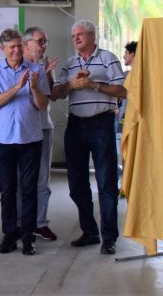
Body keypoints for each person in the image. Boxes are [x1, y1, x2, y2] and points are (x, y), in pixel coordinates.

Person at [51, 19, 126, 256]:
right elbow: (56, 94)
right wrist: (72, 85)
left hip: (101, 123)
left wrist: (93, 84)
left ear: (92, 36)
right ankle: (90, 231)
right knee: (76, 184)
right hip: (76, 125)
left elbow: (122, 90)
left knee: (105, 183)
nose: (76, 39)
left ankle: (109, 238)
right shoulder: (70, 63)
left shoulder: (108, 58)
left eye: (80, 35)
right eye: (74, 36)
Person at [0, 28, 50, 256]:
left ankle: (28, 237)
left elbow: (43, 106)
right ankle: (9, 236)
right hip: (4, 140)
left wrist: (33, 88)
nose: (15, 50)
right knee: (8, 190)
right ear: (2, 48)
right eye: (11, 47)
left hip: (30, 138)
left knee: (29, 189)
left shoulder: (36, 70)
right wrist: (16, 87)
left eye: (18, 46)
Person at [18, 27, 59, 241]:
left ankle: (40, 223)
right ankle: (19, 223)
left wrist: (48, 73)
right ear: (27, 44)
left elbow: (51, 96)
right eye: (40, 41)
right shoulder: (16, 66)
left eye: (45, 42)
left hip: (43, 127)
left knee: (42, 179)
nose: (43, 46)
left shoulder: (44, 67)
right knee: (20, 180)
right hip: (21, 130)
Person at [115, 41, 137, 184]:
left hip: (135, 120)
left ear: (132, 54)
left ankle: (129, 183)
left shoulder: (142, 74)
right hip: (123, 119)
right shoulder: (125, 75)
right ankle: (125, 183)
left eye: (126, 53)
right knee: (124, 151)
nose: (123, 56)